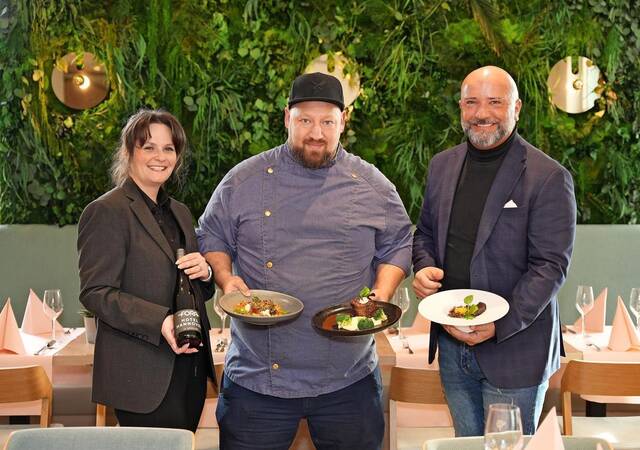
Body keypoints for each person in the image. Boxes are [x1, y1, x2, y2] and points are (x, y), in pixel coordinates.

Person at [197, 72, 412, 450]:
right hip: (258, 378)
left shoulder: (372, 185)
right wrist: (227, 279)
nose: (316, 133)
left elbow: (398, 243)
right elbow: (212, 234)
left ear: (343, 121)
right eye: (305, 120)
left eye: (327, 122)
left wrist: (381, 292)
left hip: (348, 379)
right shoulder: (243, 180)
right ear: (287, 118)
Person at [412, 66, 576, 436]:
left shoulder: (548, 176)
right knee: (465, 444)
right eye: (471, 102)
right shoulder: (442, 165)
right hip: (452, 344)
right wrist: (423, 267)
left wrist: (500, 324)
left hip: (515, 350)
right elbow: (425, 234)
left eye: (495, 102)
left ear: (516, 108)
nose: (481, 113)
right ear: (461, 108)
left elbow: (550, 266)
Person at [77, 109, 216, 431]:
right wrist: (160, 321)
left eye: (169, 148)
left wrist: (206, 272)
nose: (160, 157)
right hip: (141, 376)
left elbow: (195, 289)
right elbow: (95, 293)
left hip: (190, 369)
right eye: (149, 147)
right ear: (129, 152)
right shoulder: (106, 211)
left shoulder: (180, 212)